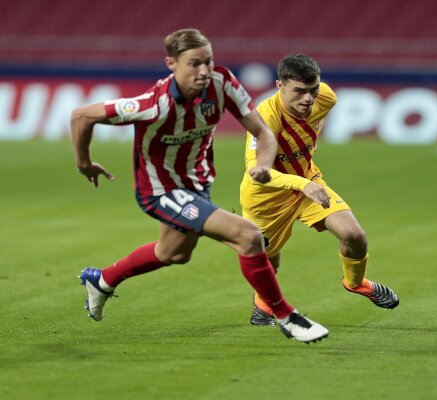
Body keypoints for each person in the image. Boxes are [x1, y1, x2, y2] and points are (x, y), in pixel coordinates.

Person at [70, 29, 328, 344]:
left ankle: (102, 280)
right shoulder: (152, 104)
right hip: (161, 191)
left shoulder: (223, 84)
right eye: (193, 63)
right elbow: (81, 115)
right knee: (248, 236)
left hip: (197, 184)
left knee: (173, 253)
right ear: (171, 64)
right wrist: (84, 163)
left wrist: (262, 165)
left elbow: (263, 132)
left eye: (208, 61)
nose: (204, 71)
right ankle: (287, 316)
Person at [239, 54, 399, 326]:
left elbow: (312, 116)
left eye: (312, 89)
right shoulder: (264, 118)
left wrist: (305, 180)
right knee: (268, 263)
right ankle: (262, 303)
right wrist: (302, 183)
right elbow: (258, 172)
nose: (308, 98)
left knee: (354, 235)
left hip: (308, 184)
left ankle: (356, 283)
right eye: (299, 91)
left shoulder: (326, 98)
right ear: (279, 85)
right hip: (267, 198)